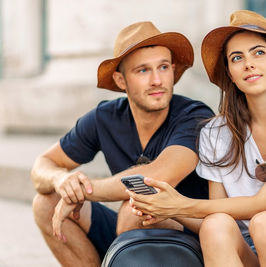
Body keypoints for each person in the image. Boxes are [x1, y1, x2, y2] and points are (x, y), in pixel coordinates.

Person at [128, 10, 266, 267]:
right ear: (230, 73)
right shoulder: (215, 133)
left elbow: (261, 204)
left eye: (258, 52)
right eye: (237, 58)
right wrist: (164, 208)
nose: (249, 64)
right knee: (215, 224)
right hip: (249, 249)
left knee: (265, 221)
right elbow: (218, 209)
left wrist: (180, 205)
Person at [30, 21, 214, 266]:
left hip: (192, 239)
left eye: (163, 67)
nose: (157, 80)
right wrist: (61, 180)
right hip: (130, 235)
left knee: (135, 207)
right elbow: (43, 164)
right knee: (46, 203)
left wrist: (80, 190)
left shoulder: (194, 115)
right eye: (143, 71)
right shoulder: (104, 117)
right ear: (120, 80)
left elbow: (158, 175)